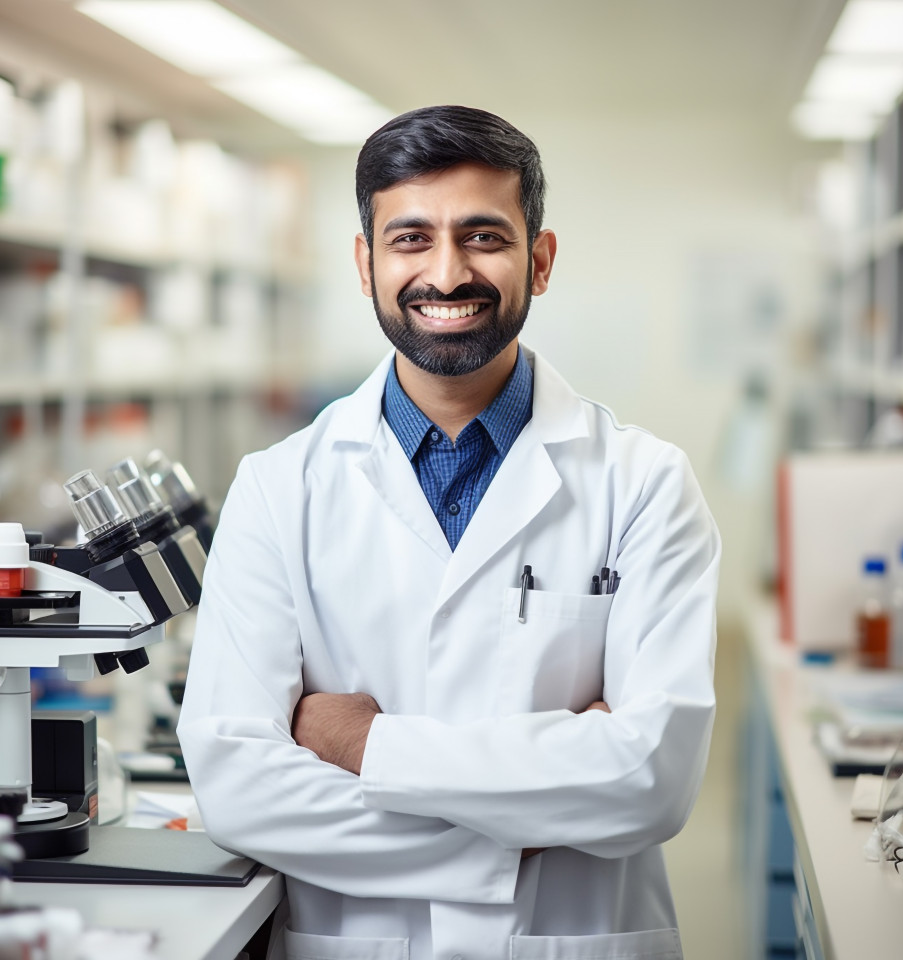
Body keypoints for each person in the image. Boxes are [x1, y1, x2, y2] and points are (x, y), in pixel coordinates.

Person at [177, 105, 721, 960]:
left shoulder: (644, 482)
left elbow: (651, 780)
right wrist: (530, 821)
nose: (446, 271)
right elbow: (240, 789)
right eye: (409, 239)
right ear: (365, 264)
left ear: (539, 261)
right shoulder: (279, 487)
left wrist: (364, 745)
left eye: (483, 237)